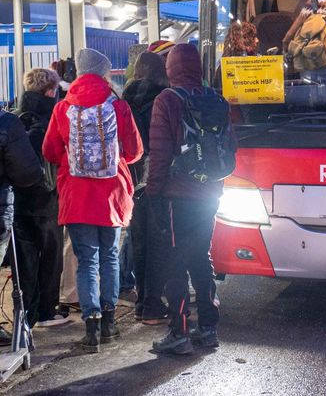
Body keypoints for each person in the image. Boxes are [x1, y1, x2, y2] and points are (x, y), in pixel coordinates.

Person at [42, 48, 142, 353]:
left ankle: (92, 328)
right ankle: (111, 323)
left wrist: (71, 160)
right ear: (103, 73)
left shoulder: (62, 108)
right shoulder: (119, 105)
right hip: (111, 196)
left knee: (86, 262)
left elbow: (49, 151)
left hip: (77, 196)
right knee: (110, 257)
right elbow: (135, 151)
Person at [147, 44, 237, 355]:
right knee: (202, 256)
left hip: (178, 195)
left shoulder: (167, 100)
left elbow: (159, 153)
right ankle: (209, 328)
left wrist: (153, 193)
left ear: (171, 68)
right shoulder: (216, 99)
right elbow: (230, 146)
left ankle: (179, 332)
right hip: (211, 192)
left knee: (175, 261)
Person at [12, 68, 70, 329]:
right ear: (50, 91)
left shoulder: (15, 117)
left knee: (24, 259)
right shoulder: (53, 117)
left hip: (17, 201)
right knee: (50, 256)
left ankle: (25, 314)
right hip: (46, 200)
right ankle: (47, 311)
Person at [120, 51, 170, 324]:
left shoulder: (124, 100)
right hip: (158, 176)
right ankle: (153, 305)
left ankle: (141, 303)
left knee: (138, 241)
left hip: (131, 176)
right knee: (158, 241)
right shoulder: (165, 97)